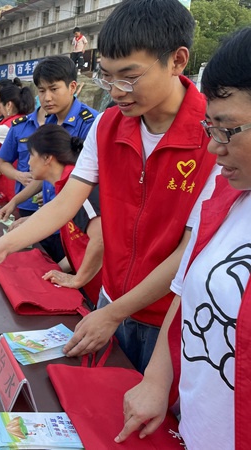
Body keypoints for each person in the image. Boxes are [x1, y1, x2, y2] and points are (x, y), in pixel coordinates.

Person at [0, 0, 219, 374]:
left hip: (171, 318)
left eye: (128, 77)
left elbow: (189, 249)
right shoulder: (108, 126)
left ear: (177, 61)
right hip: (112, 299)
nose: (116, 91)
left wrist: (113, 312)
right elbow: (66, 200)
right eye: (107, 77)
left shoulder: (213, 136)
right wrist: (2, 245)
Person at [117, 26, 251, 449]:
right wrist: (157, 380)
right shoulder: (224, 194)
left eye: (228, 130)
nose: (214, 149)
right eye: (210, 127)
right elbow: (186, 286)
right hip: (194, 429)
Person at [0, 56, 97, 247]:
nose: (47, 98)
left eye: (54, 89)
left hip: (77, 227)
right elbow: (43, 174)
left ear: (72, 87)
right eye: (41, 91)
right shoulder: (50, 122)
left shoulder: (90, 123)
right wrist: (15, 201)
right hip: (50, 221)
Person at [22, 124, 103, 305]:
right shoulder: (65, 186)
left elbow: (100, 239)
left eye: (31, 155)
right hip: (92, 285)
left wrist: (78, 279)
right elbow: (80, 245)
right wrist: (56, 269)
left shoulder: (79, 188)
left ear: (47, 158)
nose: (28, 163)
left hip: (102, 289)